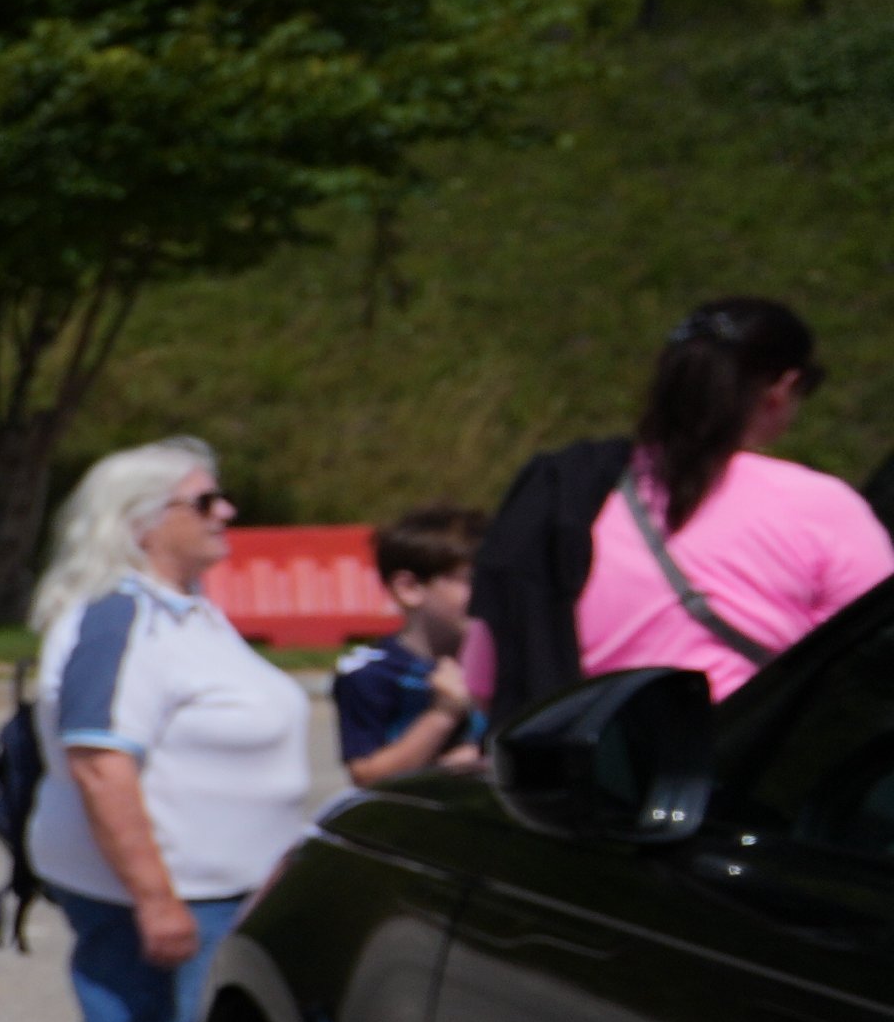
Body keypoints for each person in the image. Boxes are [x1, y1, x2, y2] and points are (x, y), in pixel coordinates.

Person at [23, 437, 309, 1022]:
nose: (228, 513)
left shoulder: (185, 607)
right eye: (206, 501)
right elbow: (99, 761)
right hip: (159, 888)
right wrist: (155, 897)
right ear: (142, 521)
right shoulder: (120, 615)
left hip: (217, 884)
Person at [474, 298, 894, 715]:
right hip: (733, 748)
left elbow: (485, 678)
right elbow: (874, 662)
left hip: (578, 749)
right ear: (781, 388)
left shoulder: (566, 489)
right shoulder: (822, 509)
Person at [332, 504, 488, 786]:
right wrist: (442, 714)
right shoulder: (371, 673)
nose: (490, 593)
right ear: (409, 588)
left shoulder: (502, 662)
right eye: (473, 580)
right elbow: (367, 776)